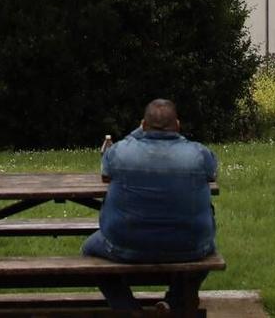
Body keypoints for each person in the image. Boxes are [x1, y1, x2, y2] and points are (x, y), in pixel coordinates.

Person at [81, 99, 218, 311]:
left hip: (125, 244)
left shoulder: (120, 152)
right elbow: (212, 173)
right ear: (178, 125)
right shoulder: (199, 154)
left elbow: (105, 173)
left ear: (143, 125)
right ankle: (175, 302)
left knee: (89, 250)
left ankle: (126, 308)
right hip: (190, 245)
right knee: (210, 249)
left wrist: (137, 133)